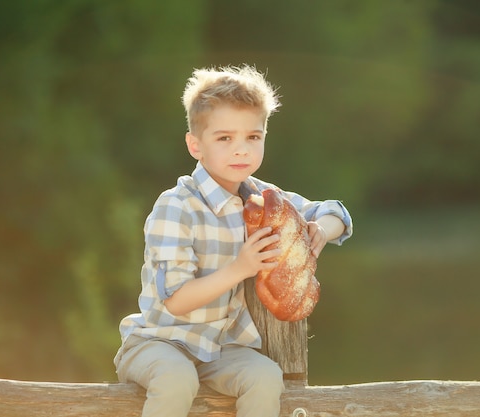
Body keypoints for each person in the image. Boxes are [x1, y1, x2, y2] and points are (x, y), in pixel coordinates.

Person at [114, 65, 353, 417]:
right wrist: (240, 267)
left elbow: (336, 213)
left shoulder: (263, 198)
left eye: (253, 137)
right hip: (159, 342)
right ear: (195, 145)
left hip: (220, 346)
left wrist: (319, 230)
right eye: (225, 138)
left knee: (265, 376)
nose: (241, 150)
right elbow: (177, 302)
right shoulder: (176, 206)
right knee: (177, 379)